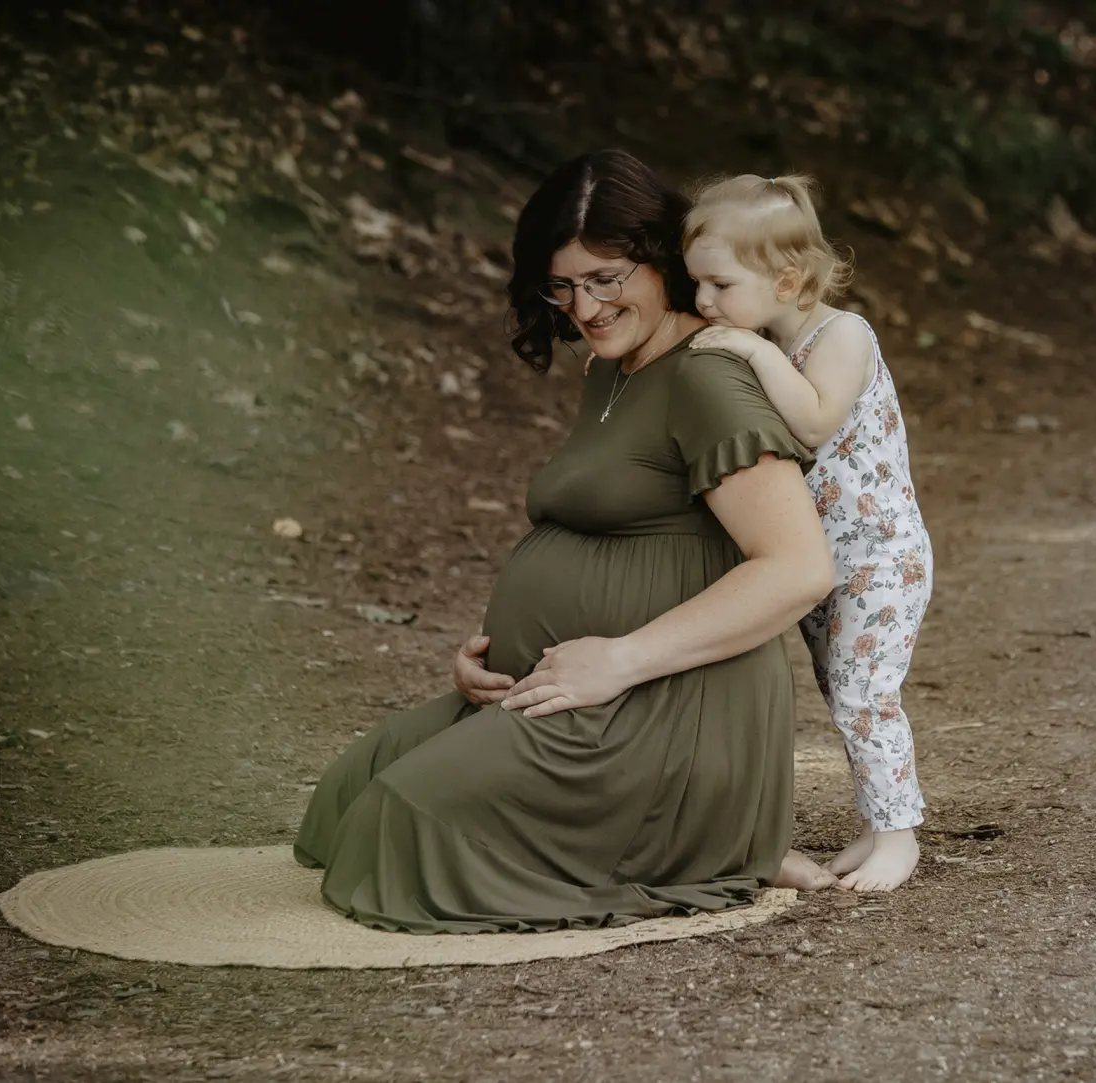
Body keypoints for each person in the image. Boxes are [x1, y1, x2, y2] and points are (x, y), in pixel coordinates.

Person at [293, 149, 836, 933]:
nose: (584, 307)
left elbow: (797, 569)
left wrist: (615, 661)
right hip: (583, 688)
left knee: (400, 820)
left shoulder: (707, 377)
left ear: (661, 261)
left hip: (668, 709)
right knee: (349, 793)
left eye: (606, 277)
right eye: (563, 285)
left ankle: (704, 843)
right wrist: (497, 659)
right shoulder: (611, 372)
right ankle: (685, 843)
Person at [684, 173, 934, 892]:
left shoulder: (842, 334)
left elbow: (819, 419)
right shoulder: (763, 338)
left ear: (787, 279)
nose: (705, 302)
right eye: (696, 284)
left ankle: (899, 835)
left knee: (865, 693)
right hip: (825, 559)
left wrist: (754, 353)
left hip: (881, 555)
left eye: (719, 284)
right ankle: (878, 819)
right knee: (841, 690)